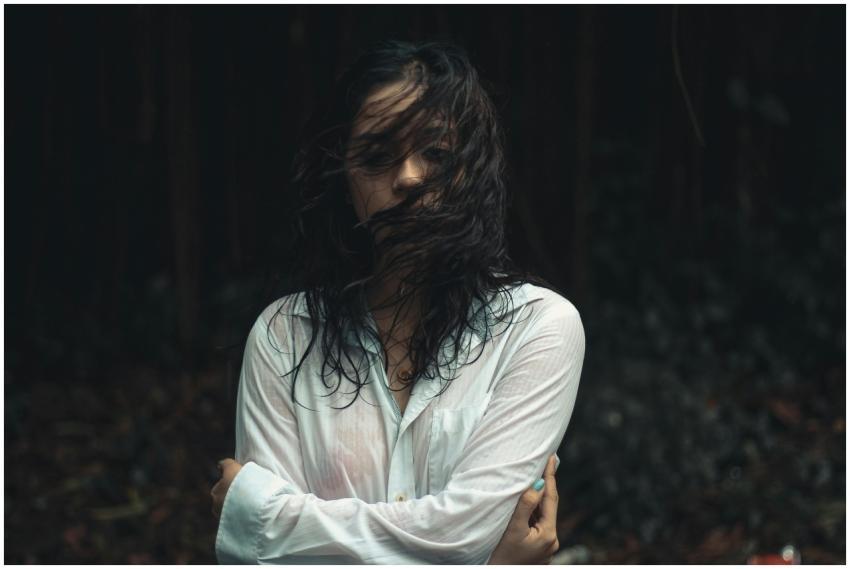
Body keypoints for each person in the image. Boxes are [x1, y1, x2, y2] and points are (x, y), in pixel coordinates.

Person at [211, 40, 585, 564]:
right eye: (376, 156)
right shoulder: (285, 336)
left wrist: (265, 519)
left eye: (435, 153)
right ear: (344, 179)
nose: (408, 177)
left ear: (470, 170)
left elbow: (465, 537)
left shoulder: (536, 327)